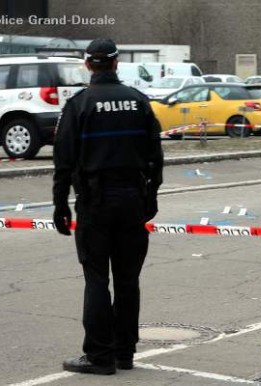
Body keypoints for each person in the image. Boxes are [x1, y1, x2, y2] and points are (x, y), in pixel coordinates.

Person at [52, 38, 164, 375]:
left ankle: (100, 356)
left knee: (97, 279)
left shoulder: (79, 104)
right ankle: (124, 352)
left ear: (88, 65)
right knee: (128, 280)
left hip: (95, 202)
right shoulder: (138, 101)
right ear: (116, 64)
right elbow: (155, 157)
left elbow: (63, 160)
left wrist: (60, 204)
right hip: (132, 199)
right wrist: (151, 196)